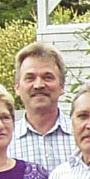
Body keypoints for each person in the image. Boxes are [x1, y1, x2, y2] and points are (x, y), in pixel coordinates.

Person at [9, 41, 73, 170]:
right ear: (17, 88)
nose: (38, 85)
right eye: (30, 78)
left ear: (62, 86)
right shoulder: (5, 141)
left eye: (47, 77)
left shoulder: (82, 137)